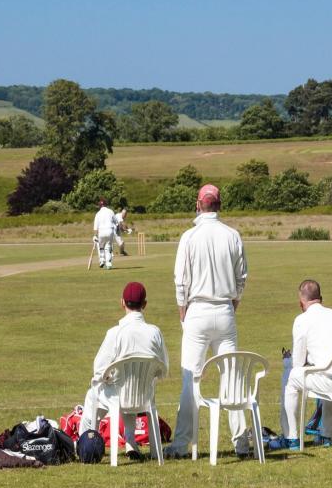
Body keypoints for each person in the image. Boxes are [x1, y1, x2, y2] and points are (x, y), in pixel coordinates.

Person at [166, 184, 250, 458]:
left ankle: (181, 445)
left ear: (198, 204)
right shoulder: (232, 235)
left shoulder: (189, 237)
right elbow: (241, 278)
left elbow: (181, 281)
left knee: (191, 378)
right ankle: (241, 442)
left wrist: (183, 314)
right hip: (224, 311)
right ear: (220, 205)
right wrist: (232, 304)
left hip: (198, 311)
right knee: (232, 377)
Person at [79, 282, 168, 461]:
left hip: (119, 396)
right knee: (129, 386)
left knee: (92, 395)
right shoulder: (155, 332)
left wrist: (108, 378)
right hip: (144, 396)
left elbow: (98, 369)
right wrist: (146, 377)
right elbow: (163, 369)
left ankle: (85, 446)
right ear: (144, 304)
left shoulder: (115, 333)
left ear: (122, 303)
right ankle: (131, 443)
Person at [283, 280, 332, 448]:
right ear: (320, 299)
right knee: (328, 370)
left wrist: (287, 361)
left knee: (290, 377)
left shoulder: (302, 319)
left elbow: (298, 363)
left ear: (301, 302)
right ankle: (326, 434)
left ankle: (291, 437)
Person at [93, 198, 117, 270]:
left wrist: (95, 236)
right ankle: (108, 263)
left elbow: (95, 227)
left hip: (101, 232)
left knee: (101, 246)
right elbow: (116, 222)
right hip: (110, 230)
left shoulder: (98, 214)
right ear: (106, 204)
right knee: (108, 246)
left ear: (99, 206)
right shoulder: (110, 211)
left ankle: (102, 260)